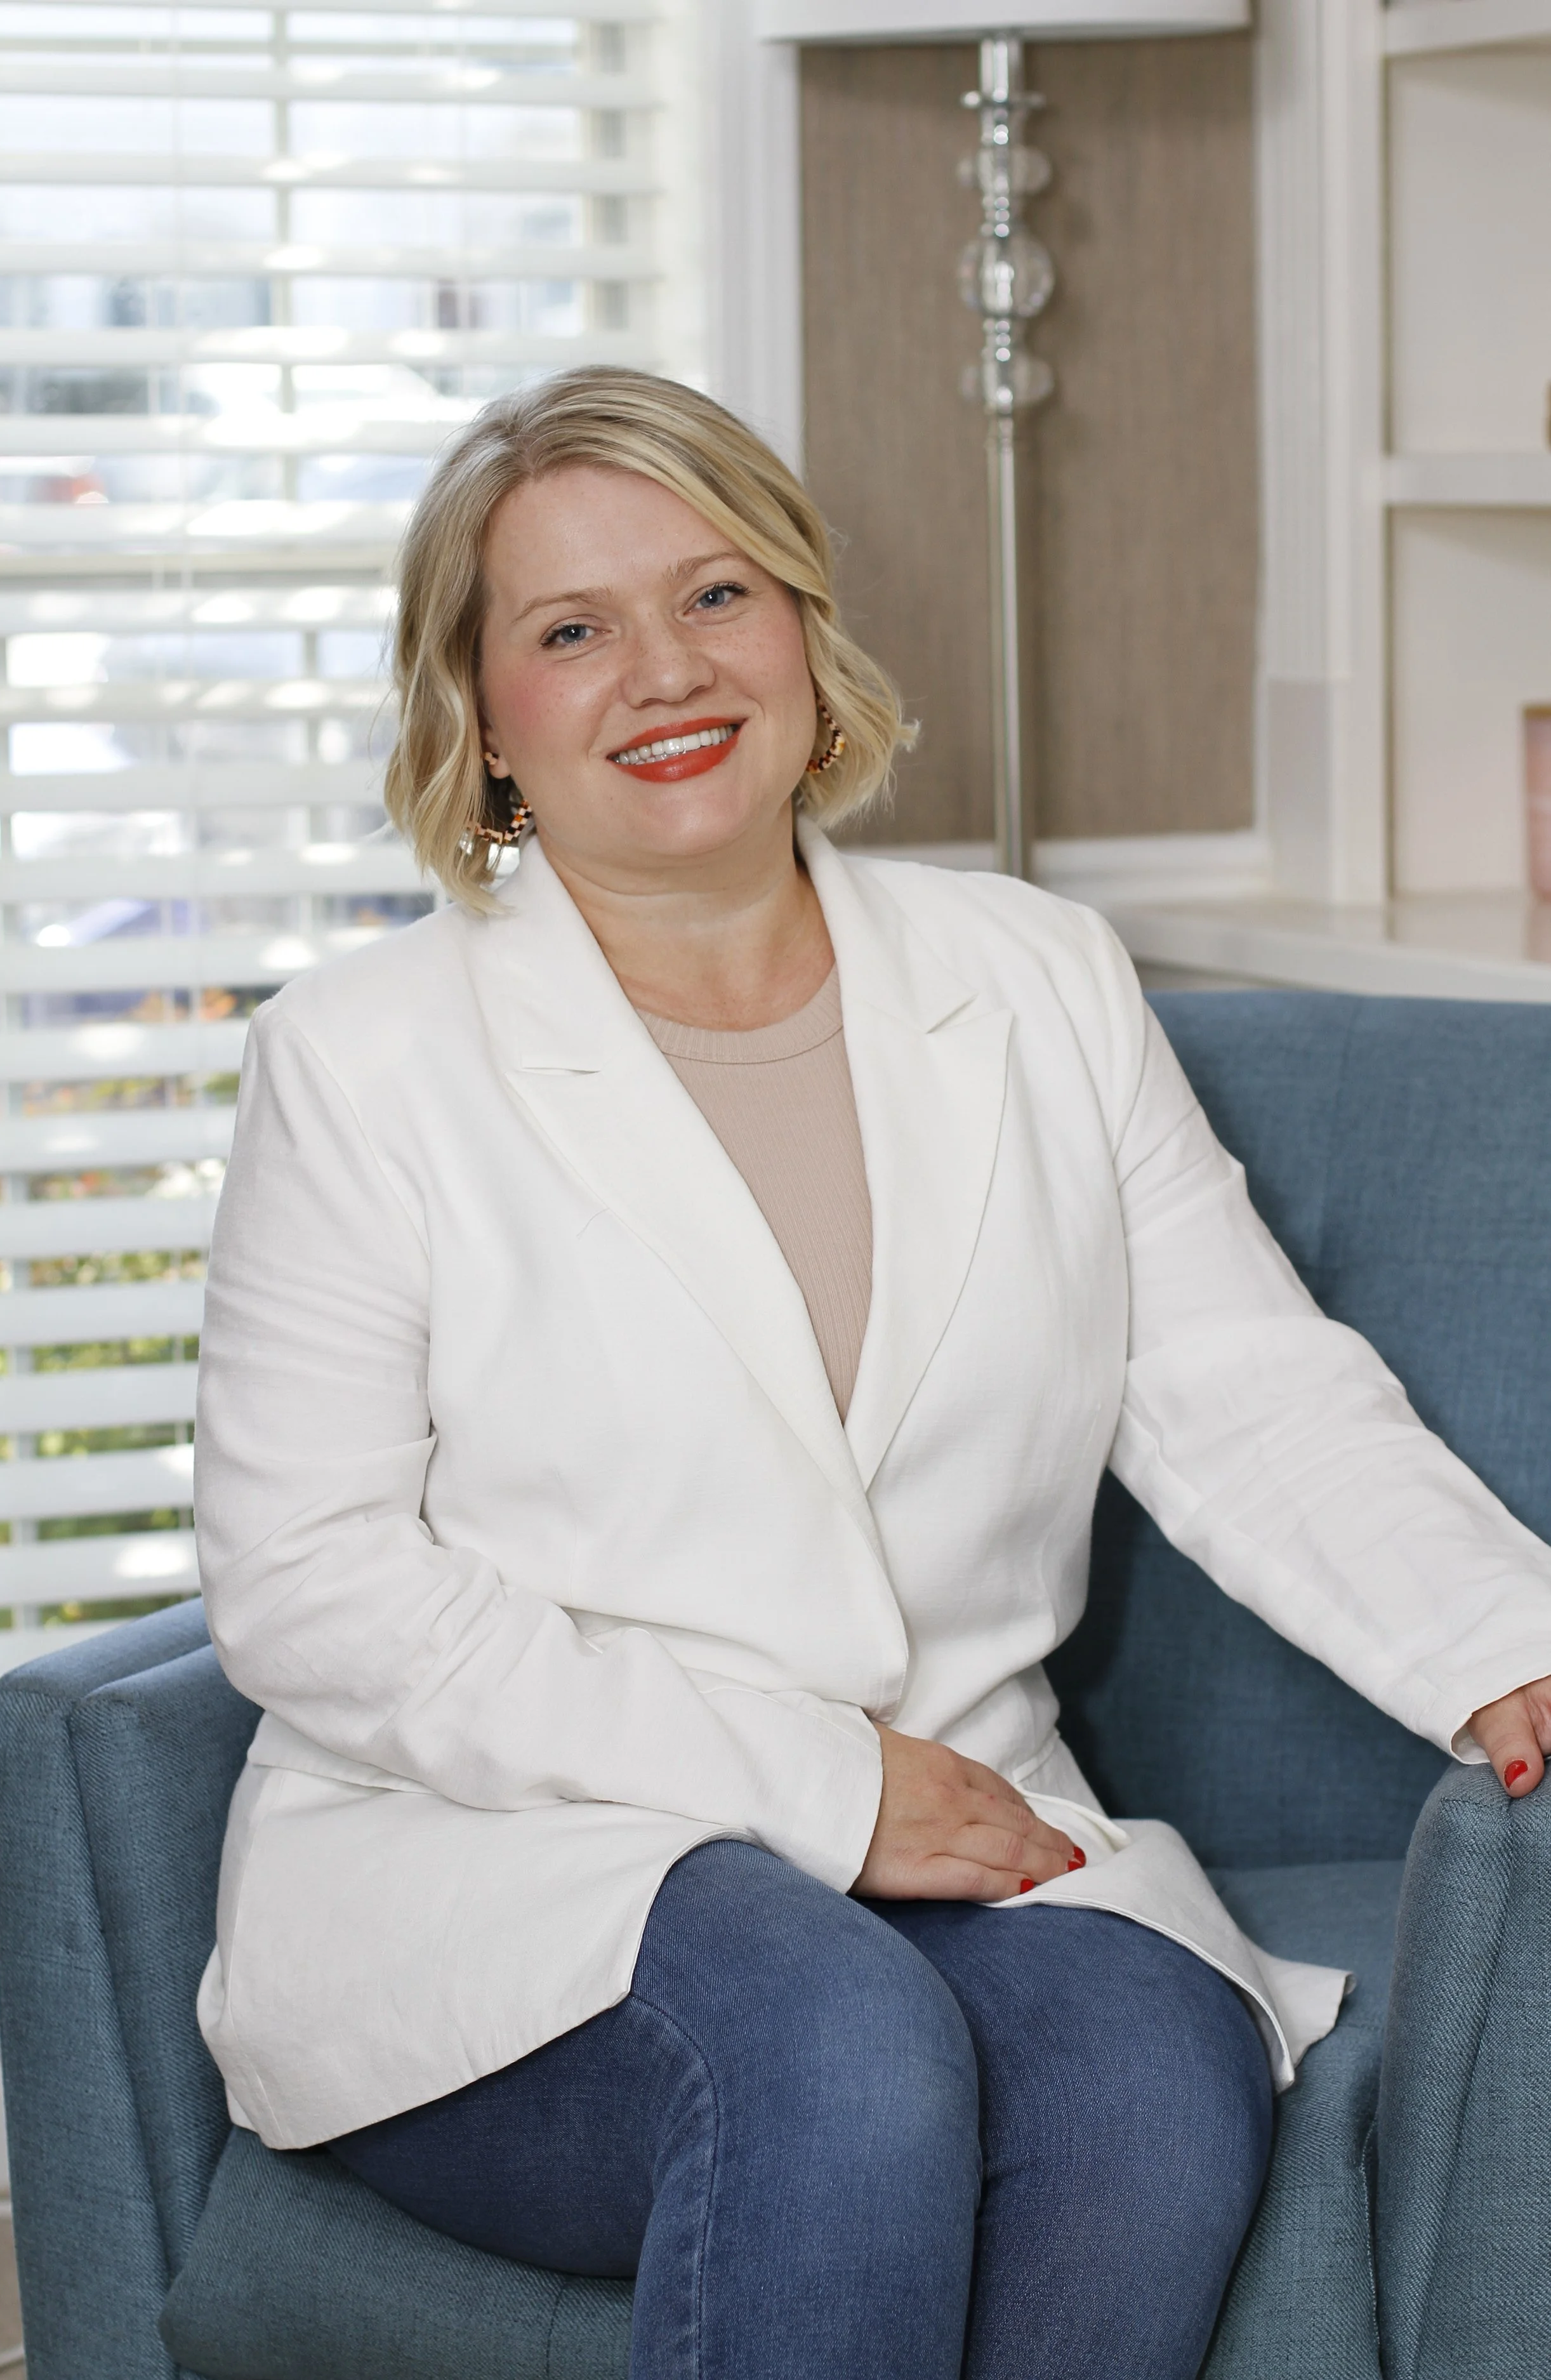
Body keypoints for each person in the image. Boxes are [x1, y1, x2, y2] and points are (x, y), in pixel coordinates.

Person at [193, 368, 1551, 2380]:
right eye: (569, 629)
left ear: (806, 636)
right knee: (831, 2048)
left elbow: (1242, 1387)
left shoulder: (1034, 981)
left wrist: (1504, 1643)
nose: (663, 669)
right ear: (482, 717)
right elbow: (311, 1581)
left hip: (981, 1828)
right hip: (511, 1865)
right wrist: (824, 1793)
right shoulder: (366, 1057)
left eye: (714, 594)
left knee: (1159, 2094)